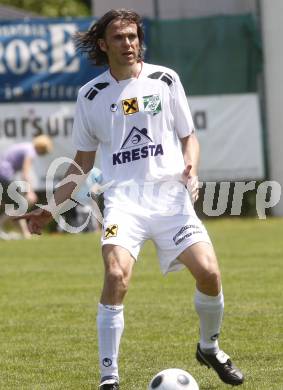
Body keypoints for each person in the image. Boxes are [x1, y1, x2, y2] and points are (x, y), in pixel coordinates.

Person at [16, 9, 244, 389]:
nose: (129, 44)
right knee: (116, 275)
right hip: (124, 201)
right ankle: (110, 378)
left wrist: (191, 165)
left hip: (171, 198)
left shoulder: (165, 80)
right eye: (119, 38)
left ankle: (209, 347)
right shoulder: (90, 96)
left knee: (210, 274)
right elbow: (82, 164)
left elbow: (189, 136)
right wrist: (50, 210)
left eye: (133, 37)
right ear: (104, 45)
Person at [0, 135, 53, 239]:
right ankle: (2, 225)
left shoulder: (26, 146)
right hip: (3, 175)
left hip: (3, 175)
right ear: (42, 148)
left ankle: (25, 234)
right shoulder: (31, 151)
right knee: (20, 205)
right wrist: (30, 191)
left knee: (13, 206)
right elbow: (25, 173)